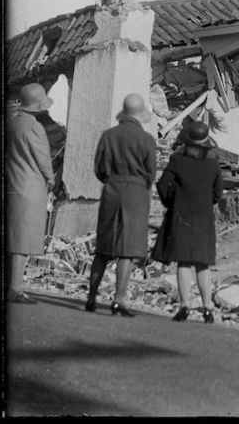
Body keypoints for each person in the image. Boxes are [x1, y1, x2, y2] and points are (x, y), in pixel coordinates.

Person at [86, 93, 156, 317]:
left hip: (112, 188)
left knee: (104, 247)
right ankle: (118, 299)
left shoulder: (108, 135)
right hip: (135, 191)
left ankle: (91, 297)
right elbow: (151, 172)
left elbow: (98, 168)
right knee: (128, 249)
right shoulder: (146, 140)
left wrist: (111, 180)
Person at [151, 121, 223, 324]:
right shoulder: (213, 163)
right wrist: (205, 202)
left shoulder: (177, 160)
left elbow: (162, 184)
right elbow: (218, 193)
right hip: (203, 217)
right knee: (202, 263)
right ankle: (208, 307)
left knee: (183, 262)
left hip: (181, 215)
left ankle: (185, 305)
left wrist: (171, 202)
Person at [6, 83, 56, 304]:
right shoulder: (34, 127)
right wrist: (52, 180)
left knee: (15, 238)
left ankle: (13, 286)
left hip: (14, 184)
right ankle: (15, 289)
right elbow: (43, 159)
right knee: (22, 242)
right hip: (31, 187)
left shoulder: (13, 124)